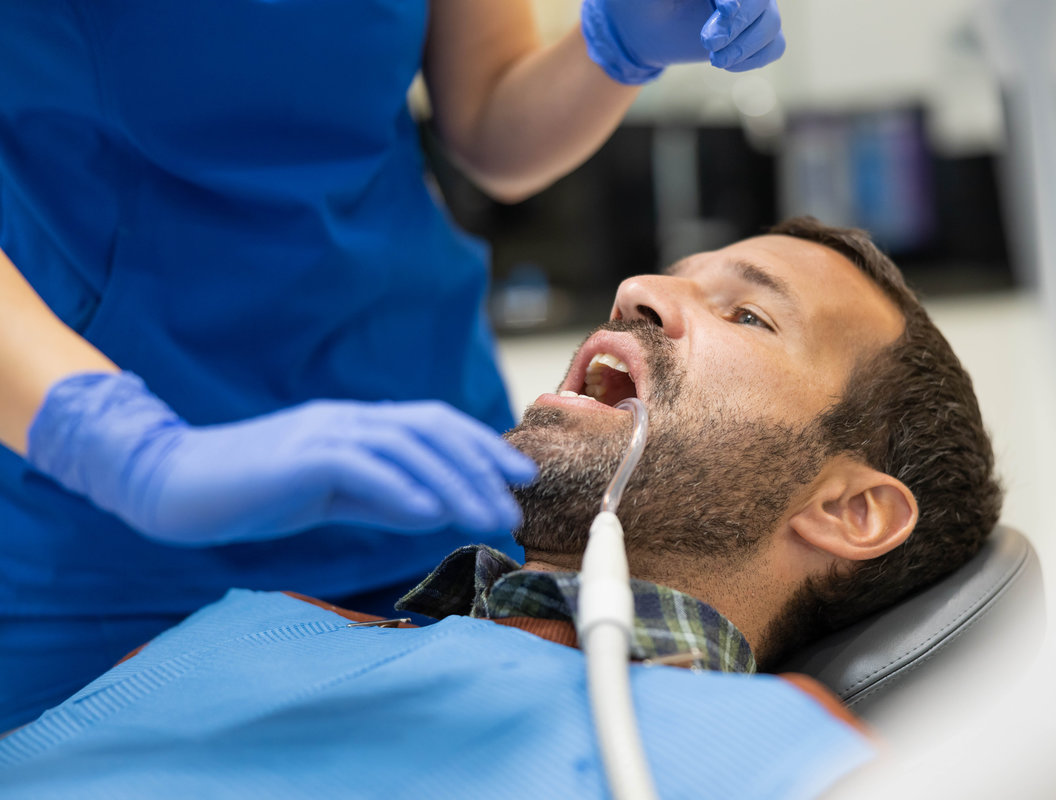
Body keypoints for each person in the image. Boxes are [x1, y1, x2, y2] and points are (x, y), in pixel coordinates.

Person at [0, 217, 1002, 798]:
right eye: (669, 276)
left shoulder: (803, 760)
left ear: (852, 509)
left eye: (748, 312)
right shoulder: (257, 622)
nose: (638, 290)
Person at [0, 1, 788, 730]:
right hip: (95, 523)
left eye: (753, 315)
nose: (644, 297)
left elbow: (486, 123)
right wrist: (127, 452)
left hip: (423, 476)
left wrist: (610, 48)